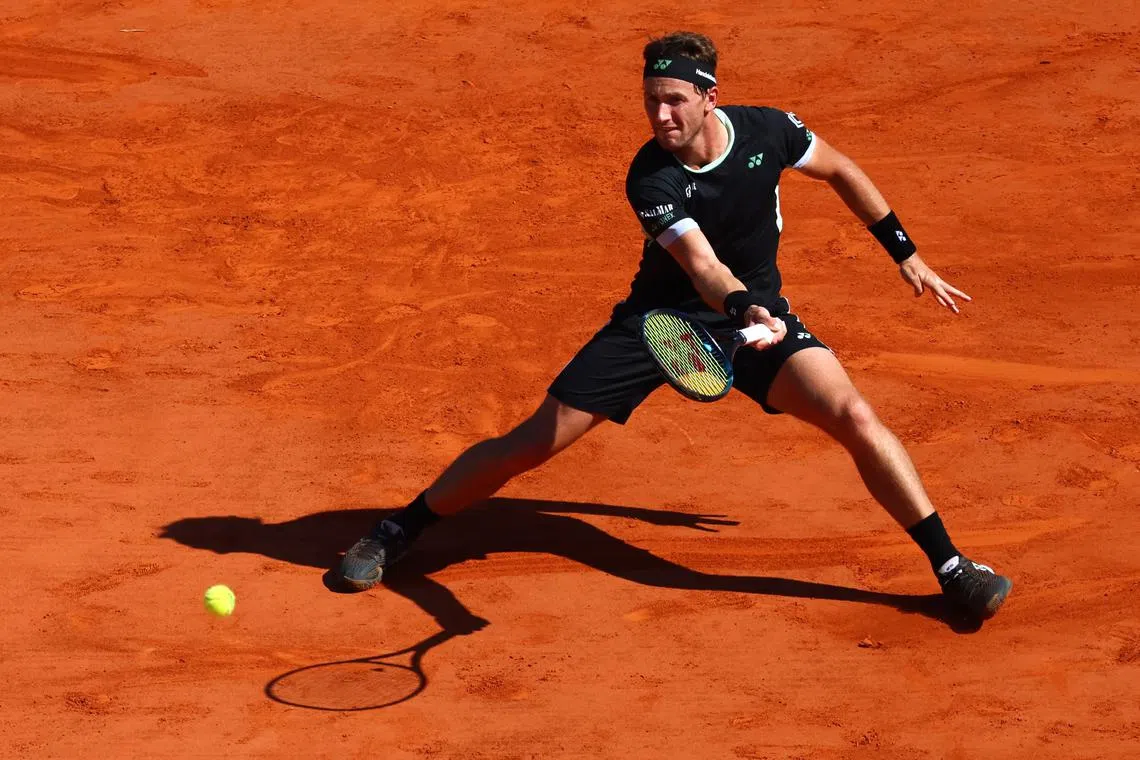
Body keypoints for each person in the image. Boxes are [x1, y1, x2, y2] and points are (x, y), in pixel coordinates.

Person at [339, 31, 1012, 621]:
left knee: (856, 417)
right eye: (650, 101)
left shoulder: (769, 130)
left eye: (674, 101)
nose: (660, 116)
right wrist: (748, 307)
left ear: (709, 96)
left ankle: (953, 570)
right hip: (659, 325)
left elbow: (840, 169)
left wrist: (905, 253)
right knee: (528, 446)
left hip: (757, 320)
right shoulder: (651, 177)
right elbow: (703, 267)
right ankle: (398, 528)